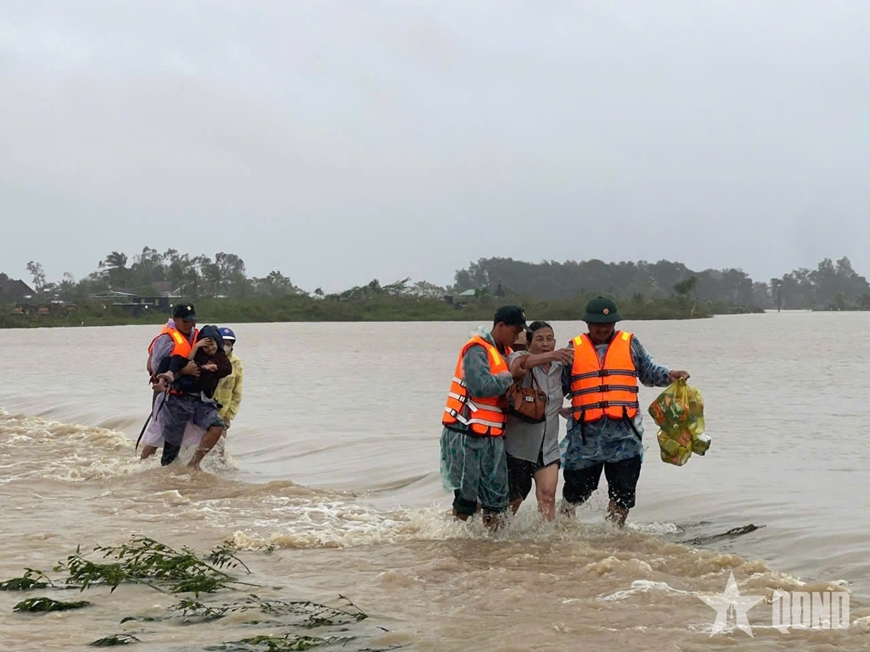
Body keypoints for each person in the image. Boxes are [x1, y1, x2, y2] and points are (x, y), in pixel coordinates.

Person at [560, 296, 690, 527]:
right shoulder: (573, 349)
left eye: (608, 323)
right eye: (597, 323)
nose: (603, 328)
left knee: (623, 494)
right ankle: (565, 530)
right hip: (584, 439)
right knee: (575, 493)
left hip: (624, 437)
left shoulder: (630, 343)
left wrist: (670, 375)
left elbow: (648, 371)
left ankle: (615, 535)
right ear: (588, 324)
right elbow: (556, 387)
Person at [440, 305, 528, 530]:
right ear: (500, 326)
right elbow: (480, 387)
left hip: (492, 436)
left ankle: (490, 549)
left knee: (497, 500)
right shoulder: (476, 349)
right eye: (515, 330)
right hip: (465, 434)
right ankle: (457, 539)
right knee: (467, 500)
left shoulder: (505, 352)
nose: (518, 336)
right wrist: (511, 376)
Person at [504, 321, 573, 521]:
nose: (546, 344)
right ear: (528, 343)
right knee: (513, 501)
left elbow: (549, 398)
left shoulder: (561, 367)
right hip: (519, 448)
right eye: (540, 339)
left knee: (548, 497)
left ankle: (547, 545)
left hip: (549, 448)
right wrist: (552, 354)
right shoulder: (518, 357)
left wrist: (559, 409)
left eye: (550, 339)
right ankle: (497, 542)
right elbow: (518, 366)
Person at [150, 325, 233, 469]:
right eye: (206, 346)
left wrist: (201, 368)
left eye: (212, 344)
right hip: (177, 401)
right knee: (166, 444)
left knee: (217, 426)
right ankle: (149, 466)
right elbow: (186, 363)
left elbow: (221, 369)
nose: (209, 349)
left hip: (201, 403)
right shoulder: (196, 354)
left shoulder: (221, 359)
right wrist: (194, 355)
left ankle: (193, 464)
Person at [140, 304, 201, 461]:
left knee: (187, 433)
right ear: (175, 320)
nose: (189, 325)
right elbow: (155, 367)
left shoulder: (197, 336)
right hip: (165, 392)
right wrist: (183, 371)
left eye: (192, 321)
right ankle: (142, 464)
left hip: (186, 393)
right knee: (159, 432)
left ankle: (178, 469)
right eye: (185, 321)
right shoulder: (166, 339)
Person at [213, 327, 244, 455]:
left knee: (220, 448)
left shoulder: (236, 362)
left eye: (228, 344)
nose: (226, 346)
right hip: (206, 407)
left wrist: (229, 415)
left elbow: (237, 391)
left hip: (223, 411)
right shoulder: (208, 358)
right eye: (223, 343)